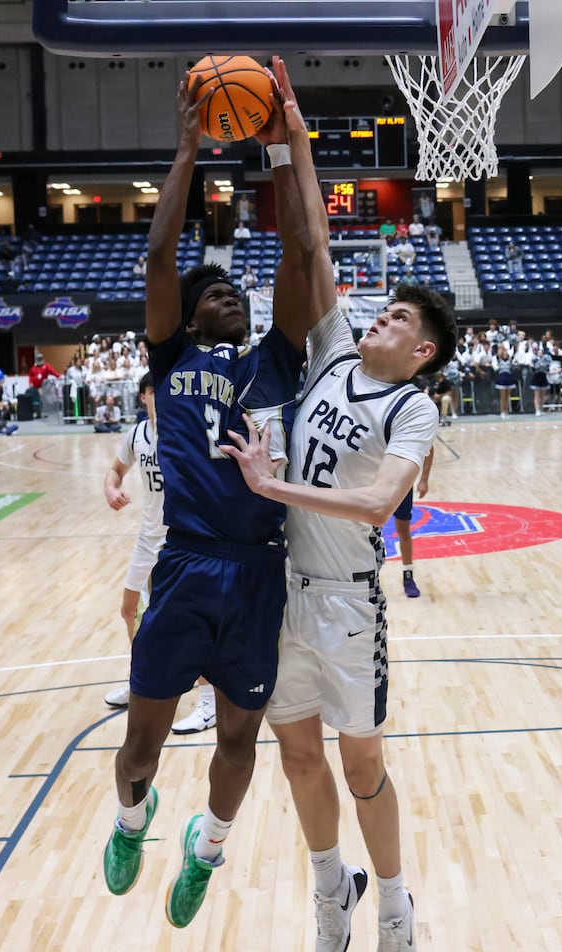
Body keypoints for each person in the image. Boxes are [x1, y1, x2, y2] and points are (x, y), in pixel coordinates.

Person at [222, 58, 457, 952]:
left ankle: (395, 905)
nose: (382, 318)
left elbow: (376, 503)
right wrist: (291, 132)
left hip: (350, 601)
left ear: (423, 350)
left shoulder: (414, 406)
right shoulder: (328, 353)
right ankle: (334, 898)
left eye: (399, 318)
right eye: (383, 309)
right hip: (285, 590)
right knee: (297, 755)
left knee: (362, 767)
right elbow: (312, 241)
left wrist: (272, 486)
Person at [102, 62, 310, 930]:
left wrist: (277, 150)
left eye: (235, 289)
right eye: (213, 292)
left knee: (236, 741)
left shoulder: (275, 359)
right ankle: (132, 818)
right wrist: (187, 148)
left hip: (260, 573)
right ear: (188, 319)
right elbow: (159, 255)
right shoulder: (171, 360)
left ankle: (207, 850)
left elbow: (302, 251)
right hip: (185, 565)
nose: (229, 293)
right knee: (139, 748)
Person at [103, 372, 169, 708]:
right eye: (153, 390)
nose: (160, 395)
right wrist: (111, 488)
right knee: (129, 610)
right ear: (143, 397)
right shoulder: (136, 435)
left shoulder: (184, 432)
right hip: (148, 538)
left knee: (187, 617)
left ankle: (206, 697)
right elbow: (115, 470)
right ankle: (139, 683)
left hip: (182, 538)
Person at [393, 448, 434, 599]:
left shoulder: (409, 425)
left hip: (403, 483)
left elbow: (429, 448)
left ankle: (408, 577)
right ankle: (366, 577)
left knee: (403, 530)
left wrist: (424, 479)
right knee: (368, 531)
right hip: (376, 481)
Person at [28, 352, 61, 417]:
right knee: (36, 400)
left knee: (43, 399)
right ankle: (38, 413)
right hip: (35, 387)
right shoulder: (33, 368)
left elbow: (53, 372)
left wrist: (59, 376)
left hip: (42, 387)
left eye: (40, 358)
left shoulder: (46, 366)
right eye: (38, 358)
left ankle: (44, 412)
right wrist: (30, 383)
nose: (39, 360)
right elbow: (30, 376)